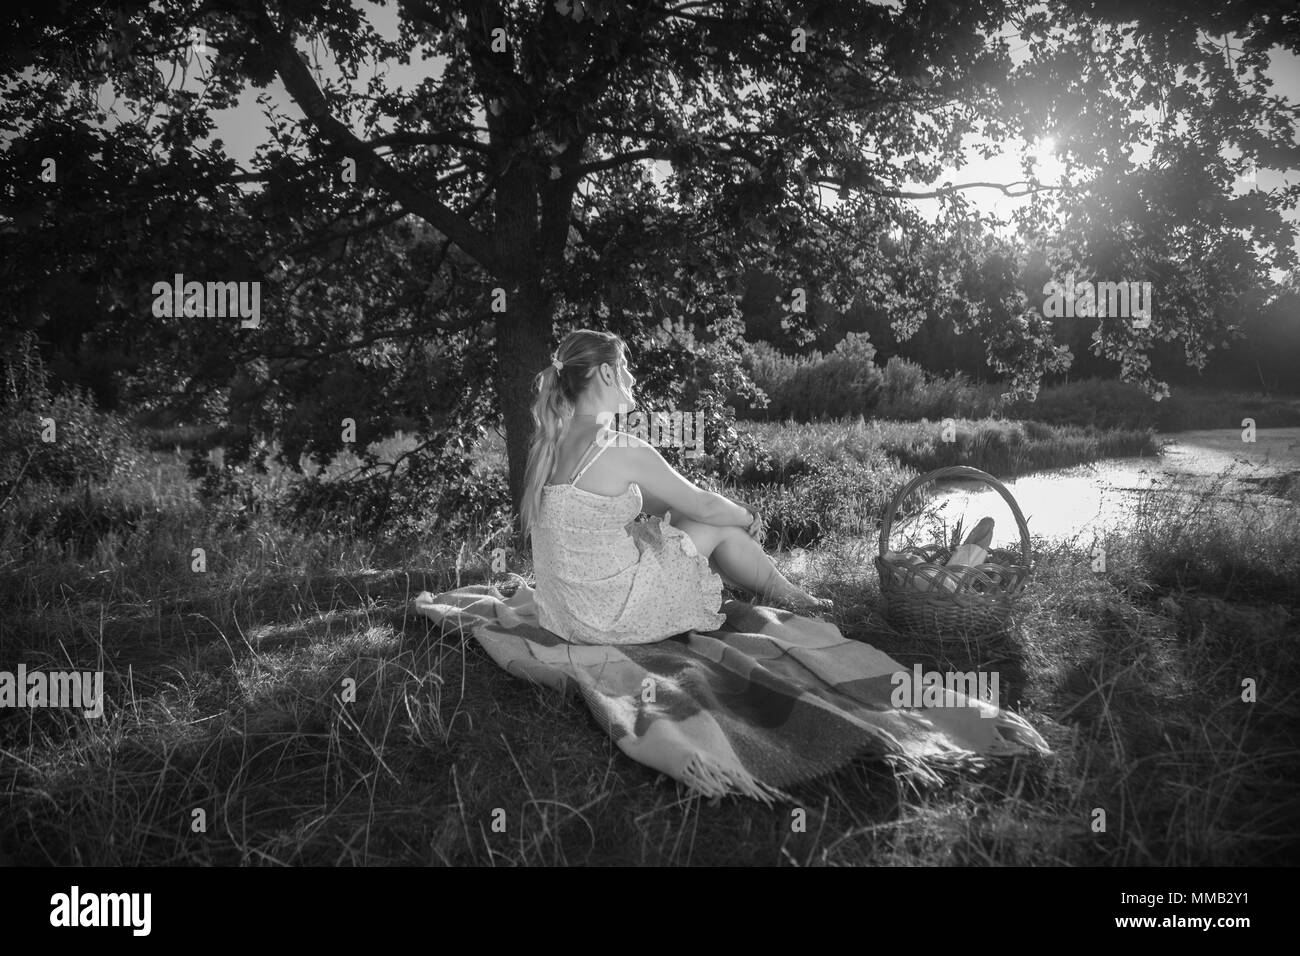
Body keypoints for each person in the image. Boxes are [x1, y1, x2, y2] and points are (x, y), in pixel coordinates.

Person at [520, 328, 831, 645]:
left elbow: (669, 505)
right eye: (624, 366)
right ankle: (792, 596)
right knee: (713, 524)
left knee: (699, 522)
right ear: (606, 373)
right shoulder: (616, 446)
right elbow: (703, 507)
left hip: (565, 615)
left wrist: (732, 511)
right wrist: (746, 518)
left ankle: (776, 591)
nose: (631, 378)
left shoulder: (549, 445)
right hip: (610, 617)